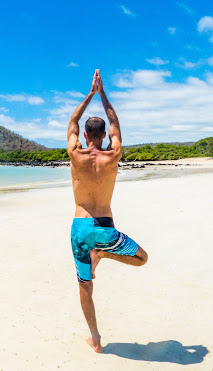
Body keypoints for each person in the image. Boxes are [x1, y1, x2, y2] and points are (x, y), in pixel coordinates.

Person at [67, 69, 148, 353]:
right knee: (141, 259)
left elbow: (73, 120)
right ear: (104, 136)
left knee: (85, 285)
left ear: (85, 135)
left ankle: (96, 338)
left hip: (79, 229)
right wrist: (102, 94)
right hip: (105, 229)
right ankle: (103, 252)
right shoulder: (113, 154)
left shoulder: (75, 153)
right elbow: (114, 120)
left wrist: (89, 93)